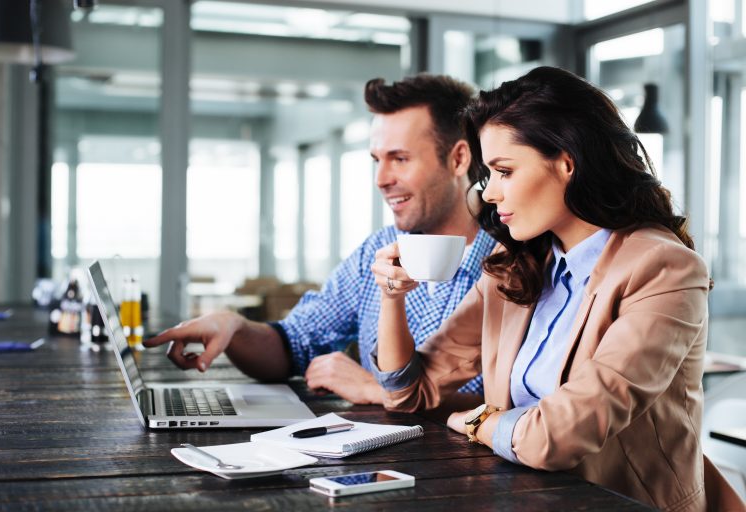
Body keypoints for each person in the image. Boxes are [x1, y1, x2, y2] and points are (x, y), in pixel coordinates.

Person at [371, 66, 744, 511]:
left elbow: (558, 436)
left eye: (504, 171)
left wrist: (477, 420)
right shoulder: (516, 269)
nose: (488, 194)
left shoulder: (664, 268)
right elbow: (407, 393)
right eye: (488, 174)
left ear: (567, 162)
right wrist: (392, 298)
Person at [144, 74, 496, 406]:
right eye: (376, 160)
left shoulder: (516, 260)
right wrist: (233, 326)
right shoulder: (374, 253)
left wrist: (376, 390)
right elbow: (294, 344)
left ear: (459, 158)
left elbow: (525, 411)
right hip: (377, 463)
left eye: (399, 159)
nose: (381, 179)